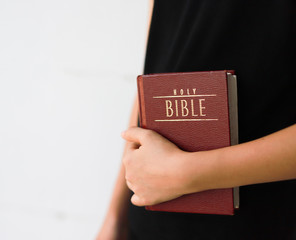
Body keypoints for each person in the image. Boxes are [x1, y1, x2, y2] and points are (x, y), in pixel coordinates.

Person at [97, 0, 296, 239]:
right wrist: (116, 216)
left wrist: (184, 173)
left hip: (265, 222)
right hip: (150, 221)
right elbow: (160, 64)